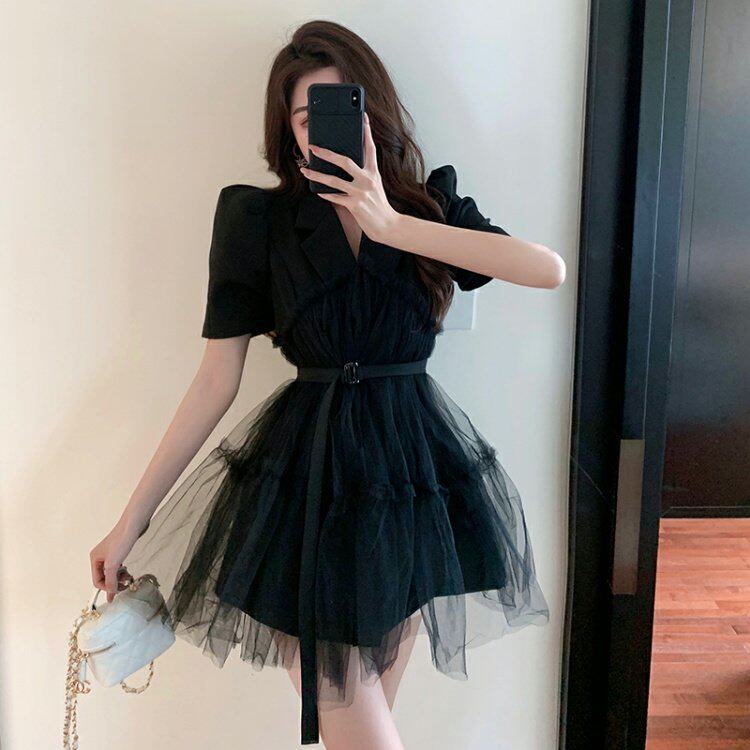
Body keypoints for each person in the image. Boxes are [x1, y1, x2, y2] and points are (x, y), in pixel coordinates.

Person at [89, 19, 563, 749]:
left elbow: (544, 268)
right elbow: (215, 380)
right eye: (307, 117)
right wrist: (132, 522)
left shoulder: (428, 205)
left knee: (362, 734)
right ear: (288, 130)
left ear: (373, 111)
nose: (324, 129)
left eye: (343, 106)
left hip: (411, 485)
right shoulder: (257, 220)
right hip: (306, 490)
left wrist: (391, 224)